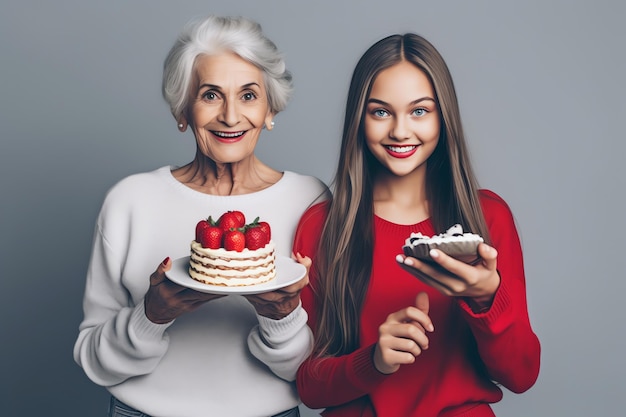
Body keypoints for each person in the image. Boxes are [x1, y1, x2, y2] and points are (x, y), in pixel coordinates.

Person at [73, 15, 329, 417]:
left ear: (270, 109)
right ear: (182, 110)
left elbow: (317, 372)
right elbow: (94, 360)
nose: (230, 116)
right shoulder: (130, 201)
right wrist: (151, 316)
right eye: (210, 95)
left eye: (248, 95)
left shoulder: (310, 200)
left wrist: (281, 319)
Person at [292, 33, 541, 416]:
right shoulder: (321, 227)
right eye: (381, 112)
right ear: (359, 119)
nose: (400, 131)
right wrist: (373, 360)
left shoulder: (489, 218)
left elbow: (522, 375)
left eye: (419, 111)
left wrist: (488, 298)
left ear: (444, 116)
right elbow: (308, 385)